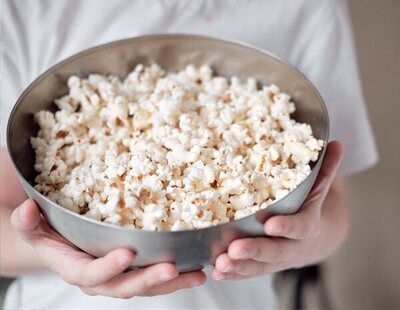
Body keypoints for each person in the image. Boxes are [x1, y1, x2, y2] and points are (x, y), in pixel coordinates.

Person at [0, 0, 378, 308]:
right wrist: (43, 249)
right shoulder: (24, 10)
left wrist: (301, 242)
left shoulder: (311, 8)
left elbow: (333, 212)